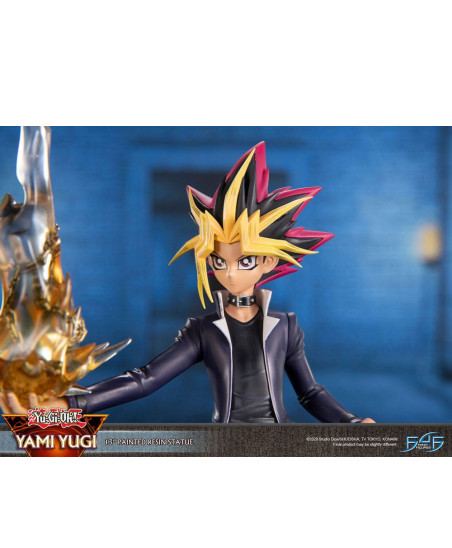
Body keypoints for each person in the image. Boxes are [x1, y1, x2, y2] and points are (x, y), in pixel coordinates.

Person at [0, 142, 374, 423]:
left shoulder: (286, 326)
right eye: (219, 261)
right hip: (225, 445)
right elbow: (145, 380)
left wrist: (352, 423)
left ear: (269, 261)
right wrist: (67, 406)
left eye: (244, 261)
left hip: (280, 443)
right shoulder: (202, 331)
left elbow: (309, 393)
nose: (229, 273)